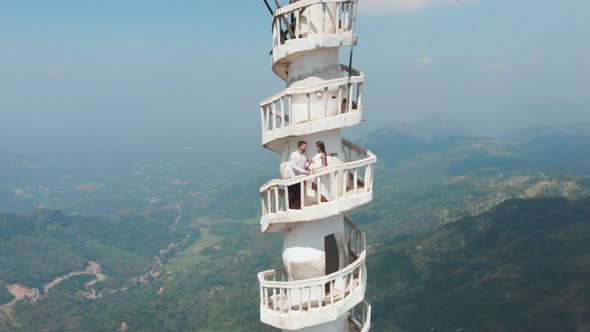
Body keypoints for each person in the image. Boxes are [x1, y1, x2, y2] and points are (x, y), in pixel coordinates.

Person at [288, 141, 310, 209]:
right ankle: (290, 207)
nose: (306, 147)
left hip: (300, 178)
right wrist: (304, 171)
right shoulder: (293, 154)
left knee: (298, 194)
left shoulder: (304, 156)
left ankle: (296, 207)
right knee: (291, 194)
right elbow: (294, 166)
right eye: (305, 146)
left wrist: (309, 162)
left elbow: (304, 166)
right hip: (293, 177)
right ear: (300, 146)